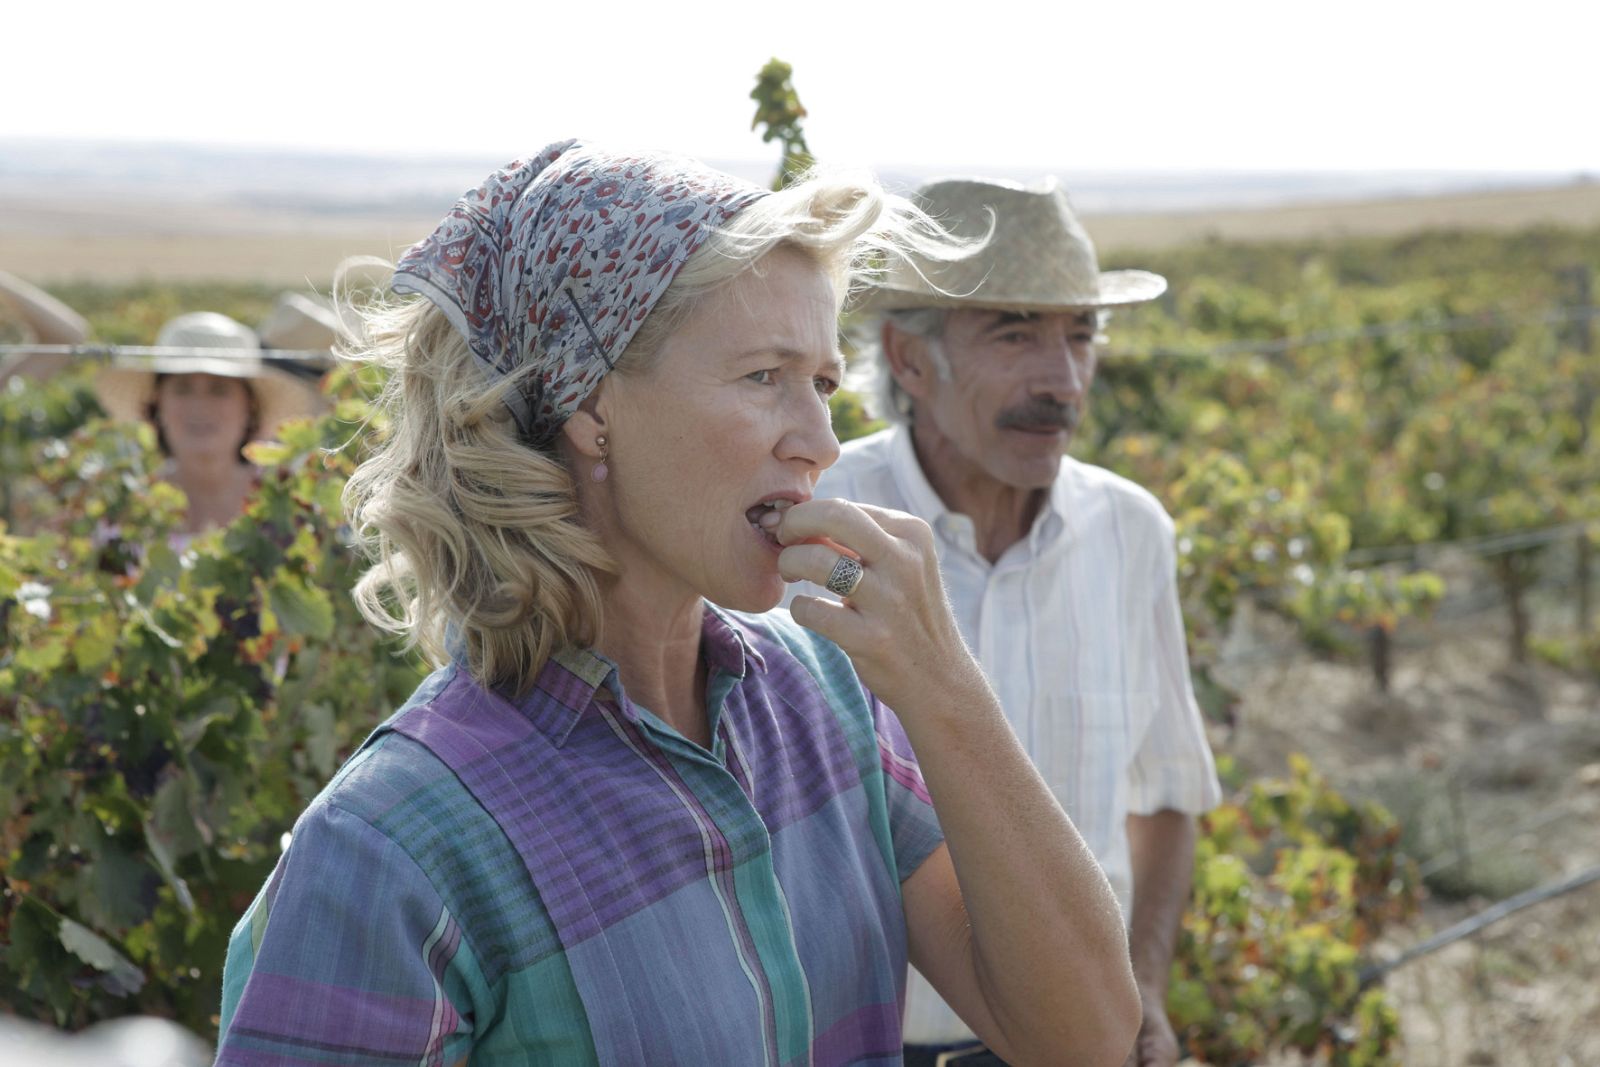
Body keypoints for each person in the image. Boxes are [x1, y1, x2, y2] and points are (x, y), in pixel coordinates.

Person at [213, 141, 1141, 1066]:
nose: (820, 440)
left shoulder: (828, 701)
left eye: (820, 382)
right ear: (589, 405)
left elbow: (1085, 1037)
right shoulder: (391, 849)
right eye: (764, 376)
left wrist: (944, 685)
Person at [804, 177, 1224, 1067]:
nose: (1063, 380)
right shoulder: (817, 526)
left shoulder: (1132, 532)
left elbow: (1170, 792)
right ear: (909, 362)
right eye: (1015, 332)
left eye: (1080, 335)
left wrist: (1141, 982)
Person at [93, 312, 324, 541]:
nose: (200, 406)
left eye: (219, 390)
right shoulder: (125, 513)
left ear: (249, 407)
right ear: (157, 402)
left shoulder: (290, 503)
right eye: (183, 389)